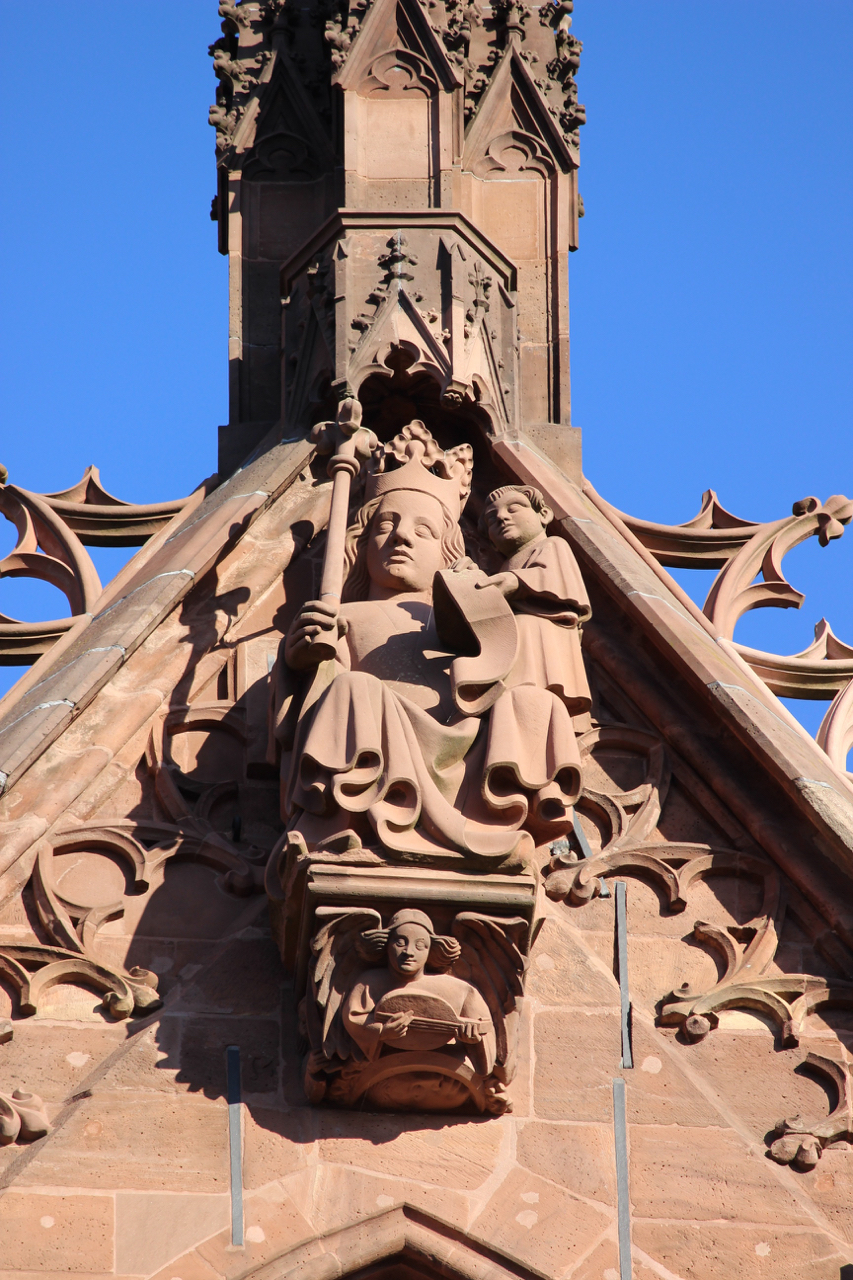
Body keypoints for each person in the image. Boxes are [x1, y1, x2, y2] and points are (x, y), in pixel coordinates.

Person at [275, 423, 589, 867]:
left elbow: (499, 668)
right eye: (385, 525)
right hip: (377, 747)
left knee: (533, 702)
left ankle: (511, 817)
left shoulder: (464, 613)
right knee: (351, 690)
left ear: (447, 549)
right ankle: (340, 825)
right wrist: (302, 659)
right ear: (359, 547)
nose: (401, 537)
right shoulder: (344, 617)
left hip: (464, 752)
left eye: (423, 531)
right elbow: (314, 699)